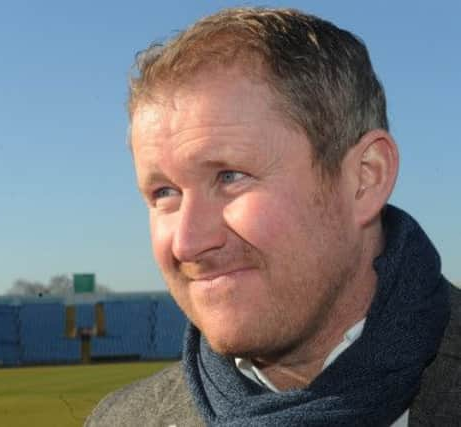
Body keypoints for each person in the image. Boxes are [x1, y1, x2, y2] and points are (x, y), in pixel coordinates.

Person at [86, 7, 460, 427]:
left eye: (230, 177)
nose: (188, 242)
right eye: (164, 193)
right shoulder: (120, 420)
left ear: (365, 179)